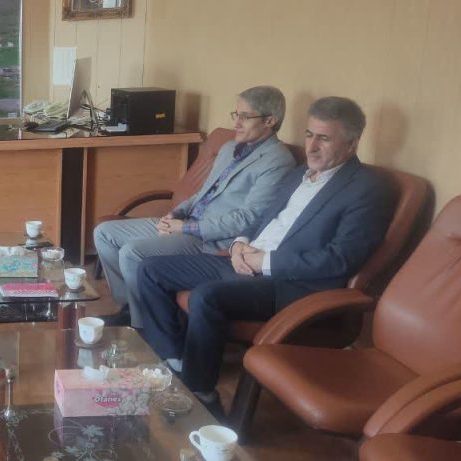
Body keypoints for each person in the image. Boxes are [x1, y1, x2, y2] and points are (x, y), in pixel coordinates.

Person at [137, 97, 394, 410]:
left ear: (352, 144)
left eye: (324, 139)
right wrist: (239, 244)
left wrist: (265, 261)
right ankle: (174, 362)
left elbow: (341, 258)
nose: (312, 147)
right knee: (149, 269)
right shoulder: (298, 174)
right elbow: (261, 219)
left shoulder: (367, 189)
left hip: (288, 284)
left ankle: (201, 395)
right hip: (244, 261)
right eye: (309, 135)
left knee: (206, 296)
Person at [93, 86, 296, 329]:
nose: (236, 123)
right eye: (236, 114)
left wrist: (185, 228)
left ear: (270, 121)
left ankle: (140, 327)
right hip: (187, 222)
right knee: (104, 233)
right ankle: (130, 306)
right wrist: (176, 213)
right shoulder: (230, 148)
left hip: (211, 240)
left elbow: (248, 218)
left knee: (132, 252)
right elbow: (203, 193)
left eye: (245, 116)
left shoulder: (277, 161)